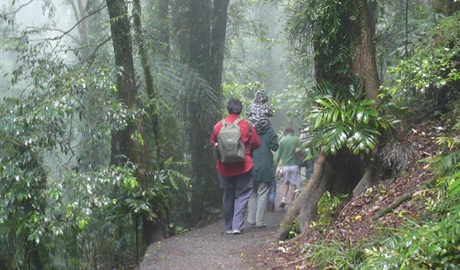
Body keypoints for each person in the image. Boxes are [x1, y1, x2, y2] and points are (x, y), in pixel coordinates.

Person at [210, 98, 260, 235]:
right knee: (242, 195)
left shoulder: (218, 126)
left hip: (224, 167)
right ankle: (237, 226)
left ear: (228, 108)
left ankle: (228, 227)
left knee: (227, 195)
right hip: (244, 166)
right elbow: (256, 143)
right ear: (241, 109)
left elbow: (213, 142)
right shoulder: (247, 125)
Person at [247, 126, 278, 227]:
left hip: (251, 164)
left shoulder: (249, 128)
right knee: (263, 193)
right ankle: (259, 221)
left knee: (252, 193)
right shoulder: (269, 130)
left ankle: (251, 218)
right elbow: (275, 147)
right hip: (265, 166)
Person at [273, 127, 301, 208]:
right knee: (293, 184)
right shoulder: (297, 140)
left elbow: (277, 155)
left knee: (286, 183)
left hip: (285, 166)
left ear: (285, 133)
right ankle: (292, 202)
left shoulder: (282, 141)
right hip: (294, 165)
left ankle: (283, 199)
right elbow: (302, 151)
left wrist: (274, 167)